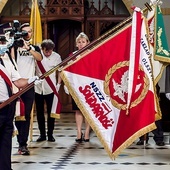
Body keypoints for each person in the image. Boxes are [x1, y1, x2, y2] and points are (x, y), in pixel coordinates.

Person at [0, 31, 40, 170]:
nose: (3, 45)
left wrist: (31, 80)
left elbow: (17, 81)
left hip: (7, 107)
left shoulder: (7, 60)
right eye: (1, 42)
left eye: (4, 42)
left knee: (5, 143)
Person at [11, 23, 42, 155]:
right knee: (17, 114)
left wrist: (28, 48)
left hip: (29, 85)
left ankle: (23, 144)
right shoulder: (14, 46)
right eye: (25, 32)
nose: (27, 34)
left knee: (27, 115)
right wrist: (14, 44)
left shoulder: (34, 47)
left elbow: (39, 58)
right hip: (16, 84)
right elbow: (11, 60)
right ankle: (19, 142)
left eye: (29, 32)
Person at [65, 32, 91, 142]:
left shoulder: (92, 53)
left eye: (83, 42)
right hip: (77, 86)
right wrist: (67, 84)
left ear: (87, 43)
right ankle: (79, 131)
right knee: (78, 110)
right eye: (79, 42)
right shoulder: (73, 55)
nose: (81, 44)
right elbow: (67, 69)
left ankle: (87, 132)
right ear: (76, 44)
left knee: (88, 111)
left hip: (89, 86)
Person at [35, 39, 62, 142]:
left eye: (50, 51)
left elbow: (60, 71)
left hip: (51, 88)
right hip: (38, 88)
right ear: (42, 49)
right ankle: (42, 134)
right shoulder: (38, 55)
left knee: (51, 112)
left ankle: (50, 134)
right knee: (40, 112)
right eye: (46, 51)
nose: (48, 53)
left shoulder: (56, 57)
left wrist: (59, 84)